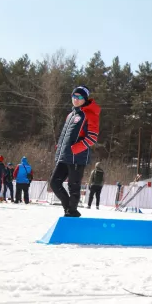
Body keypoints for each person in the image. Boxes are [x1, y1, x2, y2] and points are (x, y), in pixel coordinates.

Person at [49, 86, 101, 217]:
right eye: (74, 97)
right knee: (54, 183)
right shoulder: (70, 115)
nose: (75, 100)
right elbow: (64, 135)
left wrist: (75, 149)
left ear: (85, 99)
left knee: (74, 186)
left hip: (77, 157)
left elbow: (92, 137)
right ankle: (69, 209)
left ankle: (71, 211)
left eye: (79, 97)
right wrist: (59, 148)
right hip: (64, 156)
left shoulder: (90, 114)